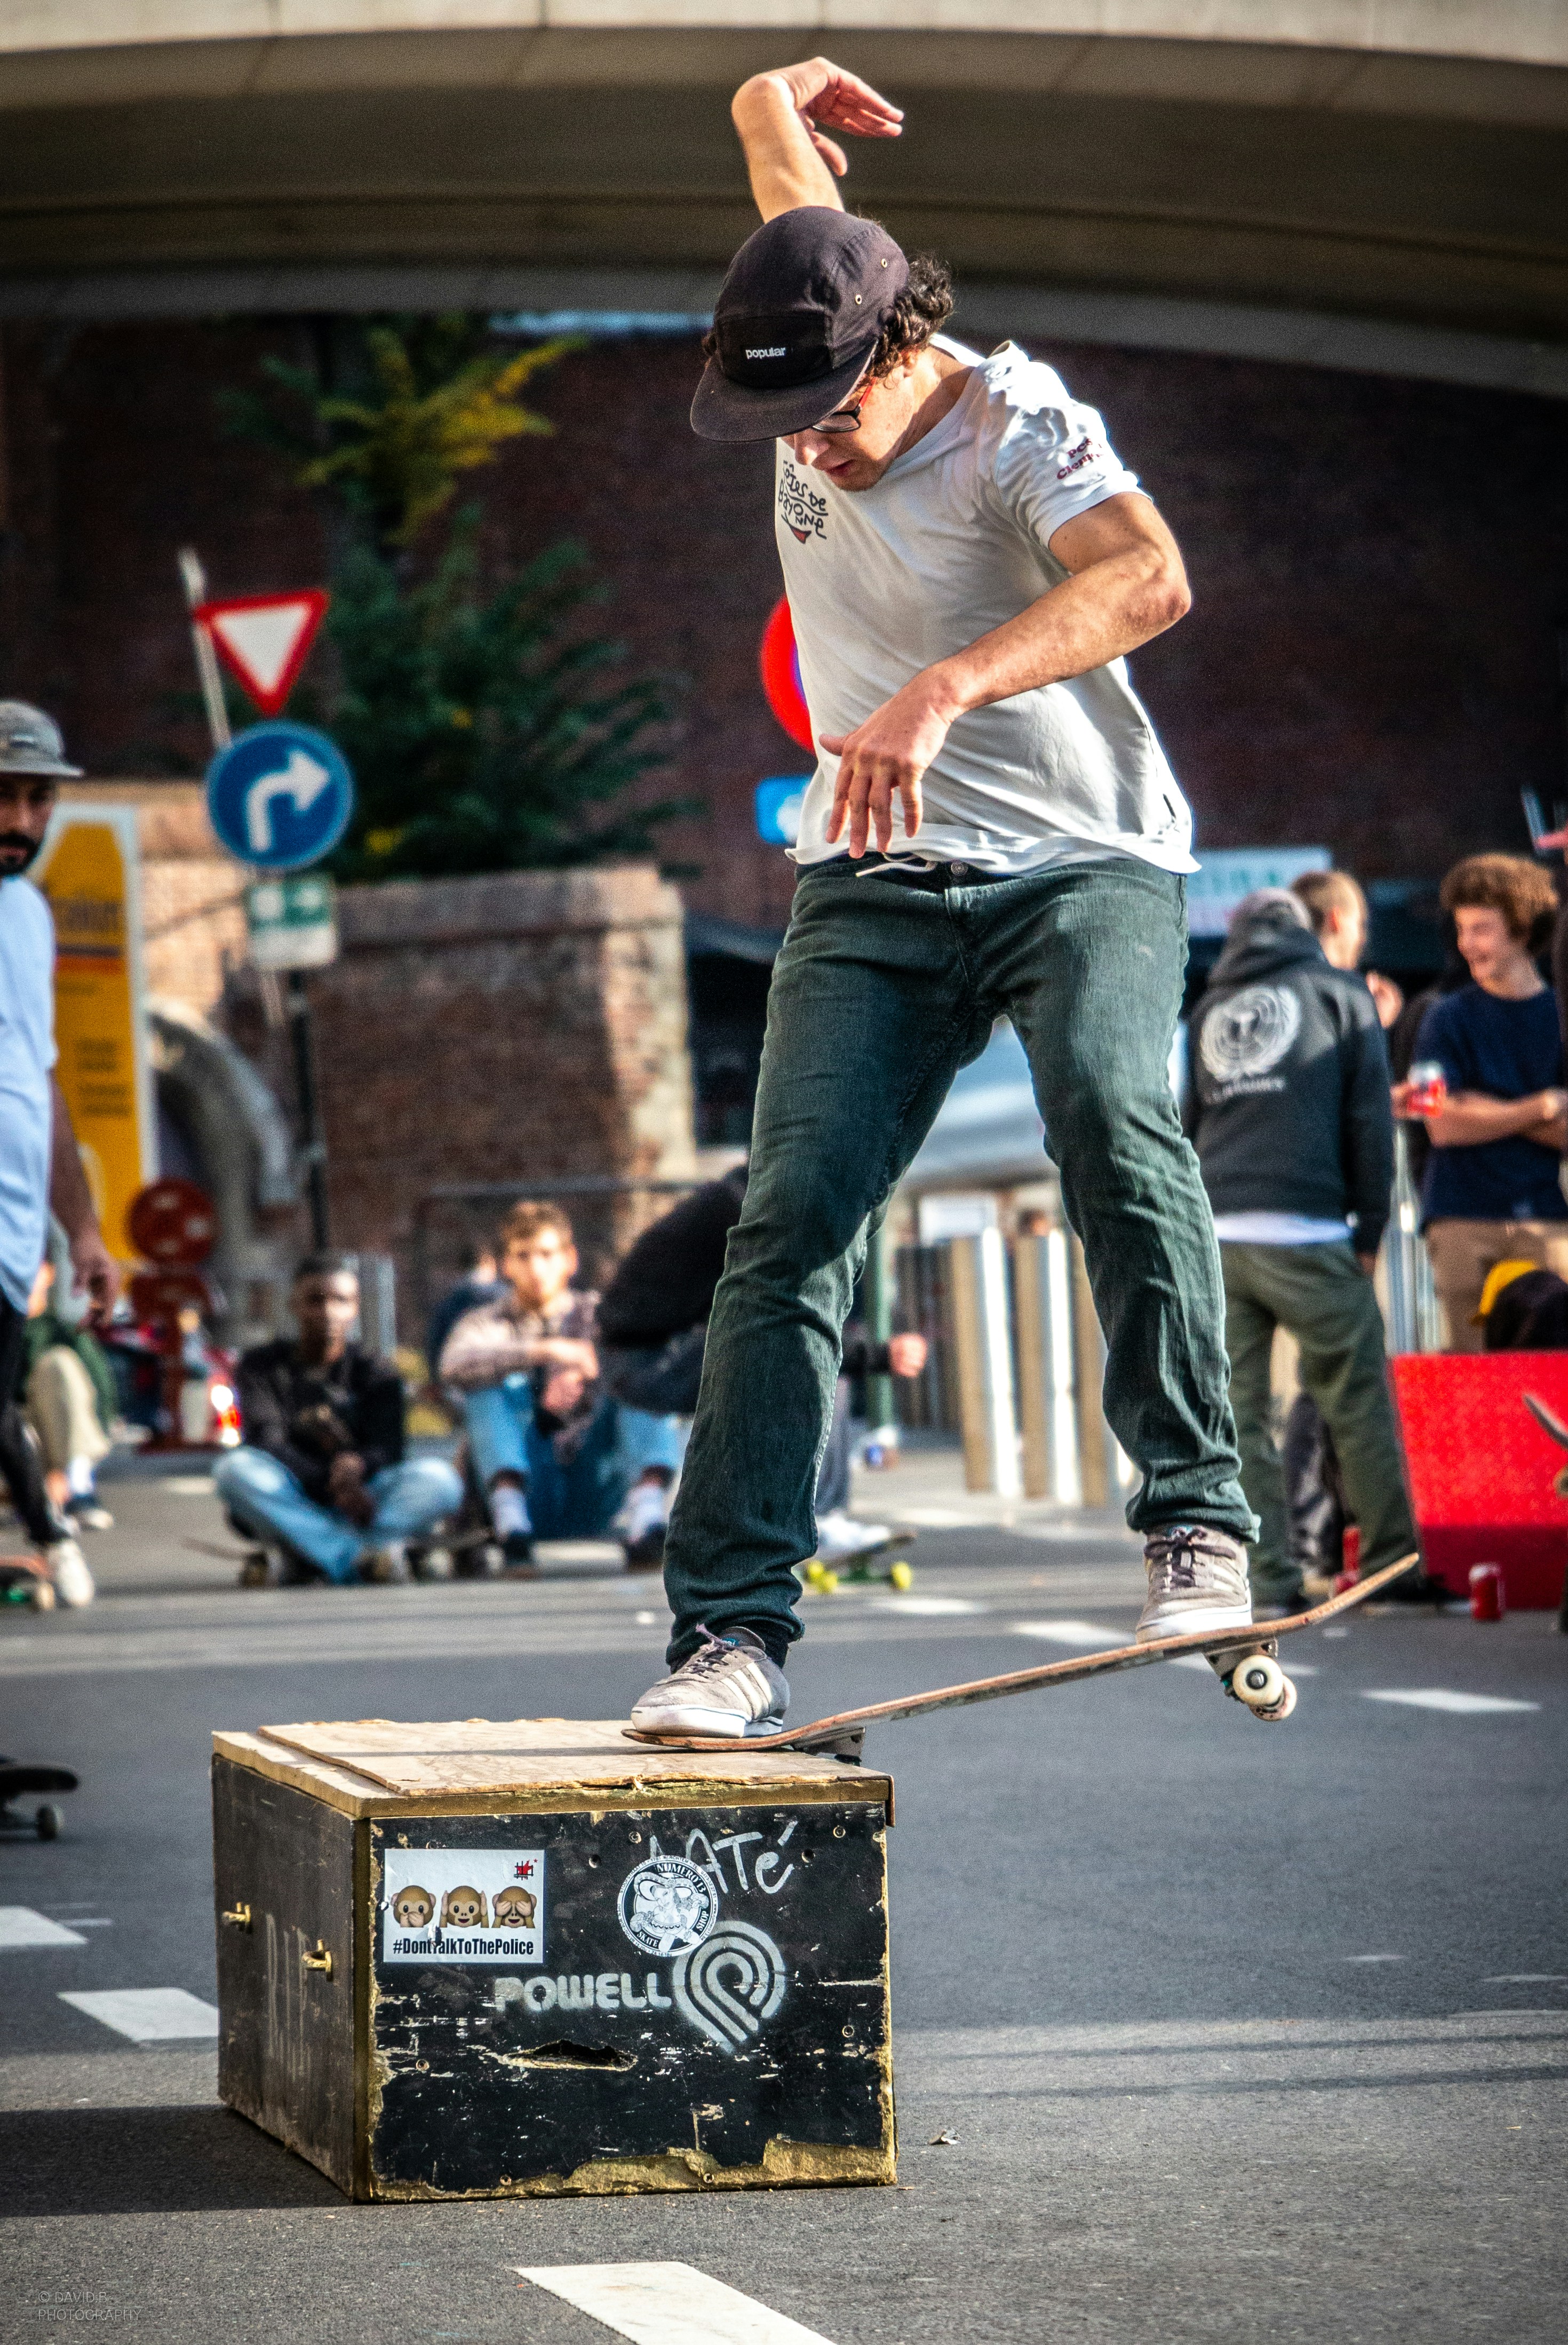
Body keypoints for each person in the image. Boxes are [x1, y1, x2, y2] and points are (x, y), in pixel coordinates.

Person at [629, 58, 1255, 1743]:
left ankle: (1195, 1515)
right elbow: (778, 159)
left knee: (1113, 1119)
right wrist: (771, 86)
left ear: (903, 339)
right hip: (874, 880)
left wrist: (942, 689)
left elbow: (1151, 576)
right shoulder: (809, 300)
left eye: (830, 413)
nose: (808, 448)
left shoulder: (1021, 424)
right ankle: (729, 1637)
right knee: (787, 1224)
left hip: (1085, 863)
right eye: (782, 424)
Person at [1189, 882, 1420, 1612]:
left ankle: (1269, 1582)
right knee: (1355, 1401)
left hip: (1221, 1233)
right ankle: (1389, 1569)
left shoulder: (1207, 1008)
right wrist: (1370, 1228)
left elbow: (1190, 1130)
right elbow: (1366, 1121)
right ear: (1307, 929)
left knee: (1239, 1416)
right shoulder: (1336, 992)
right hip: (1309, 1230)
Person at [597, 1165, 928, 1561]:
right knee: (813, 1365)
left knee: (805, 1361)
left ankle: (774, 1516)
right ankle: (816, 1517)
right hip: (648, 1362)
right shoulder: (749, 1214)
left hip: (654, 1351)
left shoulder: (746, 1195)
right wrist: (876, 1356)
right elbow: (791, 1318)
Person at [0, 702, 117, 1608]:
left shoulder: (29, 914)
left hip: (11, 1246)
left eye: (38, 800)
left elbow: (41, 1085)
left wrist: (80, 1229)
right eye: (4, 797)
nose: (21, 823)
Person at [440, 1201, 684, 1575]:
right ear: (507, 1264)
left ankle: (647, 1521)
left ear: (570, 1259)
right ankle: (512, 1528)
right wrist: (544, 1351)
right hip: (528, 1484)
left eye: (547, 1254)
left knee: (640, 1379)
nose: (536, 1268)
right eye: (523, 1256)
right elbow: (452, 1365)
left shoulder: (600, 1315)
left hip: (596, 1480)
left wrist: (593, 1379)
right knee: (487, 1386)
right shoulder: (485, 1321)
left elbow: (655, 1363)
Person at [216, 1253, 463, 1585]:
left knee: (441, 1479)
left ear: (355, 1307)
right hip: (296, 1492)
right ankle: (358, 1556)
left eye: (341, 1300)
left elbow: (389, 1448)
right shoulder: (261, 1365)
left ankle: (310, 1554)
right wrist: (331, 1485)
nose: (329, 1311)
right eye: (316, 1301)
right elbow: (266, 1439)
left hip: (366, 1498)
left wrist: (358, 1467)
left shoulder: (376, 1370)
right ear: (294, 1304)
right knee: (234, 1470)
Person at [1403, 854, 1567, 1350]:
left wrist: (1478, 1105)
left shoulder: (1559, 1018)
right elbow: (1438, 1121)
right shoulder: (1442, 1018)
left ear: (1520, 931)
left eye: (1481, 929)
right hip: (1459, 1219)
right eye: (1460, 928)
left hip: (1544, 1220)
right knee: (1470, 1381)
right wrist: (1537, 1107)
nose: (1465, 944)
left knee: (1554, 1376)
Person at [20, 1244, 117, 1530]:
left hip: (46, 1444)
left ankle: (77, 1486)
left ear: (47, 1274)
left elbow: (103, 1396)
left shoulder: (60, 1332)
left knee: (60, 1365)